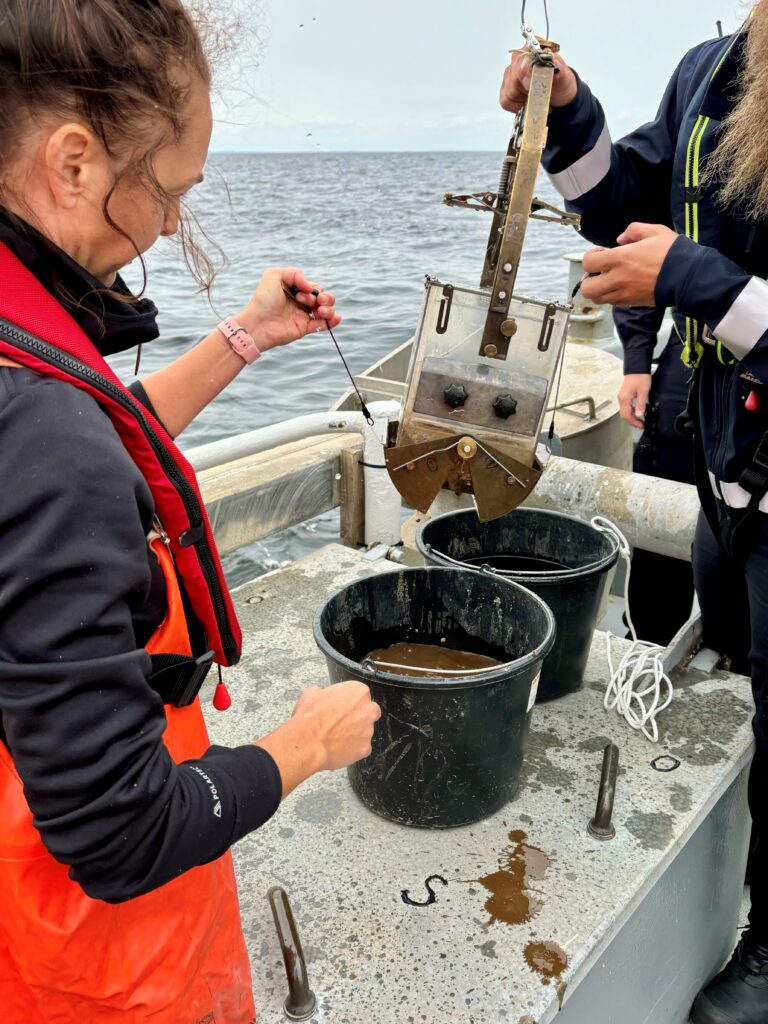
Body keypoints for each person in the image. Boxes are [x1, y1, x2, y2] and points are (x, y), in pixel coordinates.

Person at [0, 3, 380, 1022]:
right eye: (168, 192)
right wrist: (304, 743)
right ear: (73, 164)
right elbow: (121, 835)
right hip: (85, 953)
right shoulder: (43, 444)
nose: (172, 225)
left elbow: (100, 440)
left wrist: (248, 336)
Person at [501, 13, 768, 1023]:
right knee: (728, 676)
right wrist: (569, 116)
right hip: (725, 484)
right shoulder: (713, 70)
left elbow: (683, 271)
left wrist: (693, 281)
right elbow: (618, 202)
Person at [614, 305, 695, 646]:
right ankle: (647, 644)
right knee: (662, 508)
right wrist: (636, 362)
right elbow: (643, 260)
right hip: (692, 349)